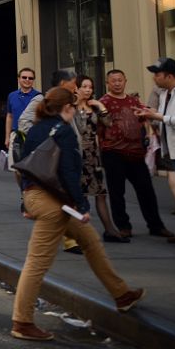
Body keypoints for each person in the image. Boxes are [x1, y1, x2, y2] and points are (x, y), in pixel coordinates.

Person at [10, 87, 144, 341]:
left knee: (90, 241)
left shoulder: (37, 128)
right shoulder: (65, 132)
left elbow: (25, 165)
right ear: (68, 108)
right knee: (37, 262)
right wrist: (82, 206)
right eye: (73, 108)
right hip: (53, 202)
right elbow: (71, 174)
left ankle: (122, 294)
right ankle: (22, 321)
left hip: (40, 196)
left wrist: (28, 201)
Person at [100, 69, 173, 238]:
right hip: (113, 153)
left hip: (135, 153)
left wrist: (148, 134)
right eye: (113, 81)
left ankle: (156, 226)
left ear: (125, 81)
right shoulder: (103, 102)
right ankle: (123, 226)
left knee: (146, 190)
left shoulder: (134, 101)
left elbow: (145, 120)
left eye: (120, 80)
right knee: (117, 192)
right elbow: (100, 128)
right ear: (107, 83)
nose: (117, 83)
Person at [74, 75, 126, 243]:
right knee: (80, 197)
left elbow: (109, 123)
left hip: (94, 156)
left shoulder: (94, 107)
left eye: (90, 87)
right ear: (77, 88)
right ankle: (79, 235)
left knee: (101, 193)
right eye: (84, 86)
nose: (88, 90)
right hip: (78, 156)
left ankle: (110, 230)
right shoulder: (71, 107)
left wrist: (101, 105)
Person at [135, 58, 175, 233]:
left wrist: (161, 118)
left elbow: (171, 119)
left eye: (157, 74)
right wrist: (151, 115)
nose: (154, 78)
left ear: (169, 76)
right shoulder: (165, 94)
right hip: (172, 150)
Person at [5, 67, 41, 159]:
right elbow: (9, 116)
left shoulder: (39, 97)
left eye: (30, 78)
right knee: (16, 166)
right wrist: (7, 137)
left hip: (33, 136)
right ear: (19, 78)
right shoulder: (12, 96)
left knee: (33, 165)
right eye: (24, 77)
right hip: (16, 136)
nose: (27, 80)